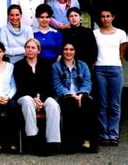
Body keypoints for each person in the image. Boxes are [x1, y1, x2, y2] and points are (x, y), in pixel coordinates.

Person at [14, 38, 60, 156]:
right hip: (24, 97)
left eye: (33, 47)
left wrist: (41, 99)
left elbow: (49, 85)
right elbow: (20, 87)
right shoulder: (18, 66)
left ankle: (52, 142)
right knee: (28, 101)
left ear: (38, 50)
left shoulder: (46, 64)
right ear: (25, 50)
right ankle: (33, 138)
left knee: (53, 105)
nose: (30, 50)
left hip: (44, 96)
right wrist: (33, 97)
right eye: (28, 47)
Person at [53, 41, 97, 153]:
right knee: (70, 105)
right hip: (65, 96)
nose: (68, 52)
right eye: (66, 49)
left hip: (82, 94)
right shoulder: (56, 66)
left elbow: (87, 82)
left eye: (71, 49)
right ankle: (70, 142)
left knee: (89, 104)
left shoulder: (83, 65)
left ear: (75, 51)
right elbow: (57, 85)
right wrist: (71, 95)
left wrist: (81, 94)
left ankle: (87, 140)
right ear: (62, 51)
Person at [93, 8, 127, 146]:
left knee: (115, 104)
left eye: (108, 16)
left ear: (113, 17)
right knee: (102, 103)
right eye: (102, 16)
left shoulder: (121, 33)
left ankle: (113, 134)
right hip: (99, 69)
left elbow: (122, 52)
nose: (105, 19)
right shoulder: (95, 33)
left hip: (115, 69)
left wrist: (114, 61)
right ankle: (103, 134)